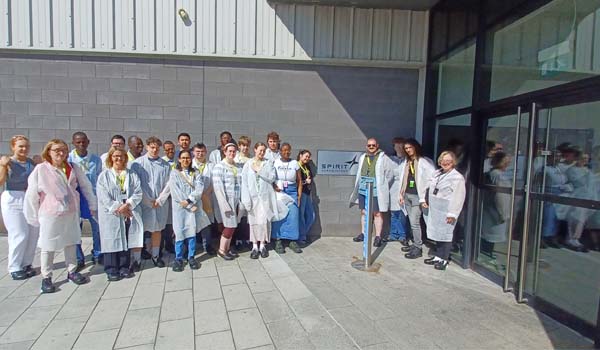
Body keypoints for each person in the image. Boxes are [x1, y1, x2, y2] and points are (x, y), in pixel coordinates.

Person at [24, 139, 94, 293]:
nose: (60, 153)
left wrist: (92, 205)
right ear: (48, 151)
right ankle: (47, 277)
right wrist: (33, 215)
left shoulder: (72, 167)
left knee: (71, 241)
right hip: (50, 213)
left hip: (71, 211)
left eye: (63, 150)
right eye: (56, 150)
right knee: (48, 246)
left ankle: (72, 271)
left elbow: (86, 186)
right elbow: (31, 194)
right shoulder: (41, 169)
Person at [158, 150, 210, 271]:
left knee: (191, 232)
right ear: (179, 160)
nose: (186, 160)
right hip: (180, 209)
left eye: (188, 158)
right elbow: (175, 192)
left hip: (193, 207)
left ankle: (191, 257)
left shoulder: (195, 173)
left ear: (191, 159)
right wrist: (187, 204)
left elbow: (199, 189)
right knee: (179, 232)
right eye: (183, 158)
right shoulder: (174, 173)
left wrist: (190, 200)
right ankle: (179, 258)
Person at [96, 146, 143, 281]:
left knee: (125, 239)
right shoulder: (104, 176)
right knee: (111, 240)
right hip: (112, 213)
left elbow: (138, 192)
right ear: (111, 158)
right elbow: (103, 196)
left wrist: (127, 205)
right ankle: (111, 268)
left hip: (128, 210)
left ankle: (124, 267)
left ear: (125, 158)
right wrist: (118, 207)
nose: (118, 159)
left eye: (121, 156)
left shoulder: (131, 174)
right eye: (115, 156)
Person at [0, 135, 39, 280]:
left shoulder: (30, 162)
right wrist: (3, 166)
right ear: (13, 147)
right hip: (13, 198)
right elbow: (1, 181)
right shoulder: (7, 162)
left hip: (29, 197)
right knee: (19, 233)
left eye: (26, 146)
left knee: (33, 232)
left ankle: (26, 263)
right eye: (20, 146)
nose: (24, 149)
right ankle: (14, 266)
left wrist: (39, 164)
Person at [131, 136, 170, 269]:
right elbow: (136, 184)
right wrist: (147, 200)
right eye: (152, 147)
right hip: (142, 203)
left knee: (157, 230)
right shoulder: (137, 164)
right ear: (147, 147)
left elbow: (168, 184)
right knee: (139, 230)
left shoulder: (165, 165)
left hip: (159, 204)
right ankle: (136, 260)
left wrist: (160, 200)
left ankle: (155, 255)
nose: (154, 150)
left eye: (157, 148)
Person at [422, 151, 466, 270]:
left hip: (447, 209)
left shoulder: (457, 178)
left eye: (448, 161)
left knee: (446, 235)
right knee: (437, 234)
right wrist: (424, 199)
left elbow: (458, 197)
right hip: (435, 208)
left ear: (453, 162)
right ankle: (438, 256)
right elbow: (429, 187)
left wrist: (453, 213)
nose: (445, 163)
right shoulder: (437, 173)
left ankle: (444, 259)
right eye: (443, 160)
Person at [350, 138, 394, 248]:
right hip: (363, 187)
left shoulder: (383, 158)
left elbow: (390, 174)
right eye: (369, 145)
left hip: (376, 188)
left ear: (377, 145)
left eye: (373, 145)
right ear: (366, 146)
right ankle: (364, 233)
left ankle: (378, 236)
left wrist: (382, 184)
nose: (371, 147)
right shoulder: (362, 157)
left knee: (377, 213)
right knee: (364, 211)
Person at [69, 132, 103, 267]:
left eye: (83, 142)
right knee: (76, 229)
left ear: (88, 142)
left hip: (92, 198)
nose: (81, 145)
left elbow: (99, 179)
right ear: (73, 143)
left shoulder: (95, 160)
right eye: (78, 142)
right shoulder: (69, 159)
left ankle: (98, 253)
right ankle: (78, 257)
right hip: (75, 199)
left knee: (97, 228)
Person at [241, 142, 281, 259]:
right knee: (253, 222)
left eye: (264, 150)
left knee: (264, 221)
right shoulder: (248, 164)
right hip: (253, 198)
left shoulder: (268, 163)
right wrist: (246, 199)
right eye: (260, 150)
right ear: (255, 150)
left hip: (265, 198)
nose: (262, 153)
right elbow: (244, 182)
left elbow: (272, 177)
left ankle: (263, 245)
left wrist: (259, 171)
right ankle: (254, 246)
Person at [399, 139, 435, 258]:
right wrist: (400, 194)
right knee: (411, 221)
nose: (408, 150)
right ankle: (415, 244)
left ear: (415, 147)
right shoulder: (407, 162)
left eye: (410, 147)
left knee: (414, 222)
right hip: (407, 194)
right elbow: (402, 179)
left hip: (417, 196)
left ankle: (418, 247)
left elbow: (432, 178)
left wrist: (425, 196)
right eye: (406, 148)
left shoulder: (424, 161)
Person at [212, 143, 243, 260]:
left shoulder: (237, 167)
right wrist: (224, 204)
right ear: (224, 152)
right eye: (229, 151)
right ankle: (221, 250)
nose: (232, 153)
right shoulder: (219, 167)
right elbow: (218, 188)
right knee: (229, 226)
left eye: (234, 151)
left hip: (237, 200)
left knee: (233, 225)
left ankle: (227, 248)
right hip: (227, 200)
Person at [480, 152, 512, 264]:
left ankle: (485, 254)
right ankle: (486, 256)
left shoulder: (490, 174)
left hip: (488, 210)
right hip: (496, 211)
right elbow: (500, 197)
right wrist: (503, 214)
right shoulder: (499, 176)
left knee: (487, 235)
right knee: (491, 236)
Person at [272, 143, 303, 254]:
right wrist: (274, 186)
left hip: (292, 191)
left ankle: (292, 240)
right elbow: (271, 178)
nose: (286, 152)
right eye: (284, 150)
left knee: (293, 215)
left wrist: (299, 196)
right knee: (279, 214)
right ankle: (278, 240)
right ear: (280, 151)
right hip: (279, 191)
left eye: (288, 150)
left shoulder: (294, 163)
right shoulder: (275, 162)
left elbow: (299, 181)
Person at [192, 143, 217, 255]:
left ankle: (207, 245)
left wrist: (206, 193)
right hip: (194, 199)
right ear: (193, 152)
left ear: (206, 152)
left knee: (207, 222)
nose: (200, 154)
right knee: (192, 222)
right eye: (198, 151)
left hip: (208, 196)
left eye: (202, 151)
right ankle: (194, 246)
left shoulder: (211, 165)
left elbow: (215, 181)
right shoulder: (189, 164)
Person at [388, 137, 409, 244]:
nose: (399, 147)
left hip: (403, 188)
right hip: (392, 189)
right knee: (393, 213)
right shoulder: (390, 159)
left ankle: (402, 235)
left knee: (402, 212)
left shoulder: (408, 160)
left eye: (401, 145)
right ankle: (393, 234)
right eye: (397, 145)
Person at [161, 140, 177, 254]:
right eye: (167, 149)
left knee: (172, 222)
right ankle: (164, 244)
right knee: (165, 222)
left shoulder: (178, 160)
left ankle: (171, 243)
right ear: (164, 150)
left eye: (172, 149)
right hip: (165, 195)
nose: (170, 151)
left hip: (176, 196)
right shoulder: (162, 162)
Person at [297, 150, 316, 246]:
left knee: (311, 216)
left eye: (309, 157)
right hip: (301, 193)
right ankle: (301, 237)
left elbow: (310, 179)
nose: (307, 158)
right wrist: (305, 182)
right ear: (300, 155)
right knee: (301, 216)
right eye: (306, 156)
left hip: (308, 194)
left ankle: (302, 234)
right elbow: (296, 182)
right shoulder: (296, 166)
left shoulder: (307, 166)